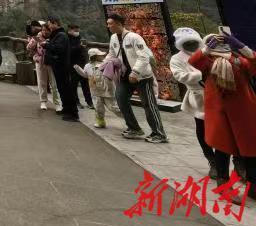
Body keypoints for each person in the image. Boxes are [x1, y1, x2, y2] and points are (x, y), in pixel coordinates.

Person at [189, 32, 256, 196]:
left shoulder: (239, 61)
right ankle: (223, 182)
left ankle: (253, 186)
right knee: (222, 147)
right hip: (221, 113)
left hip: (244, 112)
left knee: (250, 149)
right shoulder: (207, 62)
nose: (220, 45)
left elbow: (254, 60)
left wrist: (239, 44)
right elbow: (194, 61)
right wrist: (207, 48)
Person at [105, 13, 168, 143]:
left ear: (118, 23)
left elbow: (143, 56)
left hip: (142, 76)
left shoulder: (134, 37)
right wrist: (102, 66)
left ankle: (159, 133)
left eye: (110, 23)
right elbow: (111, 54)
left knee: (149, 104)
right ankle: (134, 128)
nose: (108, 26)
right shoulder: (113, 38)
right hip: (124, 75)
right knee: (121, 98)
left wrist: (135, 72)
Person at [169, 28, 217, 177]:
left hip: (217, 94)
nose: (191, 45)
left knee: (224, 127)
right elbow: (180, 76)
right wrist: (197, 75)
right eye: (187, 43)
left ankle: (237, 161)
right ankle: (212, 160)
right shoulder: (176, 59)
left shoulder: (207, 50)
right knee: (202, 128)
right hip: (198, 95)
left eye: (193, 42)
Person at [73, 48, 119, 128]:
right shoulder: (87, 66)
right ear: (94, 56)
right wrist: (78, 69)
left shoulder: (105, 64)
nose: (102, 56)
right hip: (95, 90)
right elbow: (85, 75)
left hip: (106, 90)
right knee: (98, 107)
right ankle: (100, 121)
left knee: (112, 107)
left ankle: (128, 119)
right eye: (99, 55)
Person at [45, 16, 79, 122]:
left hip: (62, 66)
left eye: (49, 24)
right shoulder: (57, 35)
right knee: (61, 89)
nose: (49, 26)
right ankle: (66, 108)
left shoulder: (61, 35)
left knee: (66, 89)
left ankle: (73, 113)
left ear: (55, 23)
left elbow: (58, 49)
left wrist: (47, 45)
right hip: (57, 65)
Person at [26, 20, 60, 111]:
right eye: (43, 30)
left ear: (50, 30)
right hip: (40, 61)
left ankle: (57, 103)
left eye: (47, 30)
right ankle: (43, 101)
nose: (45, 32)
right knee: (42, 82)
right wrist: (35, 41)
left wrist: (47, 43)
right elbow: (28, 47)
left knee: (54, 83)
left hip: (51, 62)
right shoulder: (37, 36)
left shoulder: (54, 37)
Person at [68, 24, 93, 109]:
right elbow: (69, 51)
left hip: (82, 64)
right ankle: (76, 101)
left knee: (85, 83)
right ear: (70, 30)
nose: (77, 32)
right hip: (73, 65)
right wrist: (79, 47)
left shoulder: (79, 38)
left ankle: (89, 101)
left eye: (78, 31)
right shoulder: (67, 39)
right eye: (75, 31)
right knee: (73, 84)